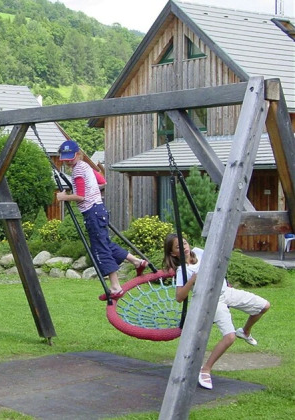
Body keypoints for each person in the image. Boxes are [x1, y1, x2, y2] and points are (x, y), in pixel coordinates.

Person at [163, 233, 271, 390]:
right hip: (212, 301)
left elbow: (217, 261)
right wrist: (192, 280)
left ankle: (245, 331)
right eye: (178, 247)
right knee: (229, 337)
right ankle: (205, 369)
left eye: (184, 243)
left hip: (226, 291)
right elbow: (179, 297)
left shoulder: (198, 252)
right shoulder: (182, 270)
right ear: (173, 253)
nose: (184, 247)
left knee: (264, 306)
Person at [55, 139, 147, 299]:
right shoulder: (86, 167)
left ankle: (115, 286)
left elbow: (81, 196)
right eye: (66, 159)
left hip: (92, 213)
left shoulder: (77, 171)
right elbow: (103, 182)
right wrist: (89, 190)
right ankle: (137, 262)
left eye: (71, 158)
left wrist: (64, 197)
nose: (68, 161)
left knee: (100, 248)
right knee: (106, 244)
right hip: (99, 210)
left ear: (78, 154)